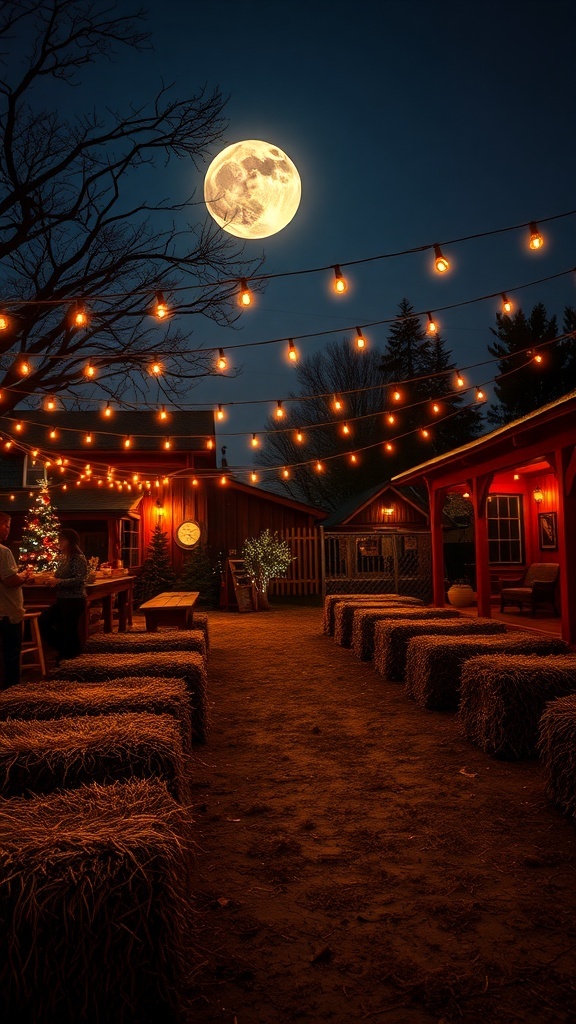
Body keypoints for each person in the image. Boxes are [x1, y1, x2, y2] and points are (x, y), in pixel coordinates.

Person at [39, 528, 88, 661]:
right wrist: (50, 580)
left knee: (69, 629)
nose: (59, 543)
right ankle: (66, 651)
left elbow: (80, 580)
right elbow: (59, 577)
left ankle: (70, 657)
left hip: (74, 599)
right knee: (44, 620)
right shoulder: (63, 558)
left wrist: (59, 581)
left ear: (69, 542)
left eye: (61, 540)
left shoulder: (78, 558)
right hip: (62, 599)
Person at [0, 511, 32, 688]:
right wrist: (24, 577)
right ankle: (11, 691)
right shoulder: (3, 552)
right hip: (7, 611)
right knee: (11, 652)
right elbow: (10, 580)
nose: (8, 531)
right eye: (7, 526)